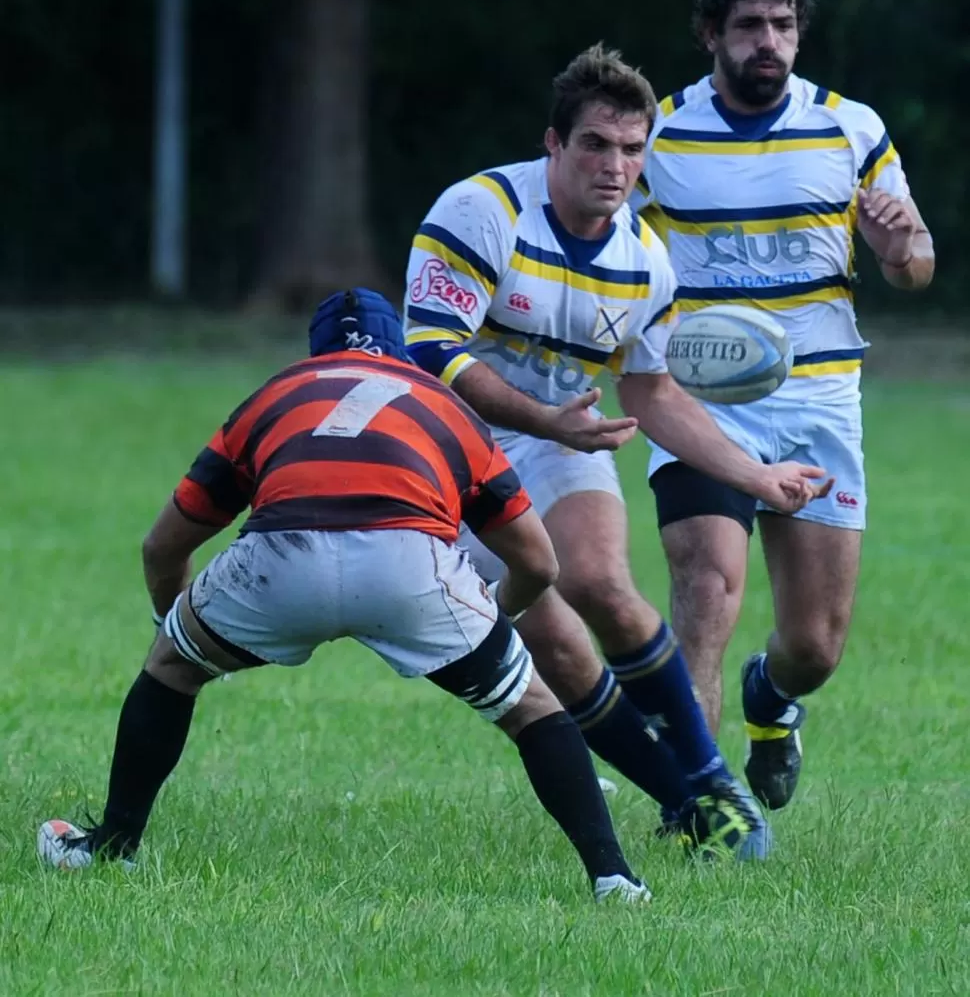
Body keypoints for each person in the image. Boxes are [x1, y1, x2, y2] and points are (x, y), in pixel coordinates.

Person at [38, 290, 653, 904]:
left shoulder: (276, 394)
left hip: (282, 558)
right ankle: (613, 877)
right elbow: (540, 563)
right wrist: (497, 611)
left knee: (169, 670)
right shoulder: (445, 404)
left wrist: (176, 631)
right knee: (530, 708)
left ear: (318, 352)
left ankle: (114, 847)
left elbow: (160, 548)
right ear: (400, 352)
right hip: (410, 562)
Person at [403, 44, 831, 856]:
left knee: (601, 579)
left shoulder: (643, 262)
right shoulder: (480, 210)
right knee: (555, 639)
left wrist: (759, 477)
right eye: (596, 144)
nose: (616, 165)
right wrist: (545, 419)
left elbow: (652, 393)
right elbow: (431, 354)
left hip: (561, 431)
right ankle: (681, 795)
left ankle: (709, 786)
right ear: (553, 144)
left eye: (633, 149)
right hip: (451, 446)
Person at [632, 0, 935, 811]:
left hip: (817, 397)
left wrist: (898, 248)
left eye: (783, 24)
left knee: (816, 645)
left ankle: (772, 701)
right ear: (709, 36)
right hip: (699, 397)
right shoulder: (657, 132)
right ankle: (694, 799)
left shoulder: (851, 126)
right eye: (749, 26)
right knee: (705, 583)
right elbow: (607, 248)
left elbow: (916, 266)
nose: (769, 40)